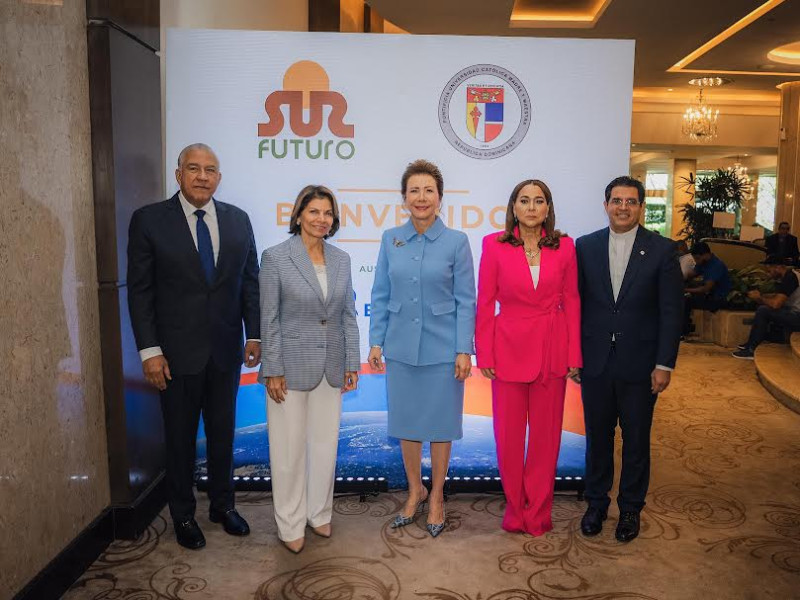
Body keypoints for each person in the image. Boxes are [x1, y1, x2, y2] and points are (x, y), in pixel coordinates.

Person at [127, 143, 260, 550]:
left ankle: (223, 505)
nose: (202, 176)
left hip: (225, 352)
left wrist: (253, 334)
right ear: (178, 174)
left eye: (210, 169)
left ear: (219, 177)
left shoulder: (238, 220)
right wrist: (150, 351)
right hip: (174, 355)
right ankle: (183, 515)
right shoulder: (149, 220)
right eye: (194, 168)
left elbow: (250, 281)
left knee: (223, 434)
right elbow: (140, 291)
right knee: (181, 439)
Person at [368, 159, 475, 538]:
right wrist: (376, 341)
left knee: (441, 425)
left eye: (429, 190)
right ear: (404, 198)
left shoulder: (457, 242)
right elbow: (381, 294)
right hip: (399, 347)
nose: (421, 197)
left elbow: (466, 300)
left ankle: (438, 496)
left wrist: (465, 349)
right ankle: (415, 490)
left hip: (445, 350)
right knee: (407, 424)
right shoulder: (390, 238)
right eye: (414, 190)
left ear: (440, 198)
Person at [576, 176, 682, 543]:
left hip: (641, 365)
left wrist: (664, 363)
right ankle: (596, 503)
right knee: (598, 438)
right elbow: (576, 307)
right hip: (595, 362)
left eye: (631, 201)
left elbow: (671, 312)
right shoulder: (584, 247)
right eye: (617, 200)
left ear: (641, 207)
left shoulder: (663, 250)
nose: (623, 207)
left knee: (636, 440)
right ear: (606, 204)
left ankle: (631, 508)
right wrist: (575, 356)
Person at [475, 179, 581, 536]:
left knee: (546, 439)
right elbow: (486, 302)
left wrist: (574, 355)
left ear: (548, 208)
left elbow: (573, 302)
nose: (532, 206)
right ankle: (515, 509)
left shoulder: (565, 247)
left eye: (539, 200)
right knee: (507, 437)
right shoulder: (493, 244)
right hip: (507, 351)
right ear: (514, 207)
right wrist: (484, 352)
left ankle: (538, 512)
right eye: (524, 200)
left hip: (552, 349)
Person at [259, 185, 360, 553]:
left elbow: (347, 316)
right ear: (299, 214)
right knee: (287, 450)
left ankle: (318, 514)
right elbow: (268, 317)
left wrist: (352, 362)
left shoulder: (342, 259)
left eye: (328, 213)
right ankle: (289, 522)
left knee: (324, 445)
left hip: (331, 366)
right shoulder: (275, 257)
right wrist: (272, 367)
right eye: (314, 211)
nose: (321, 219)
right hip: (288, 368)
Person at [732, 255, 800, 359]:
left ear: (777, 267)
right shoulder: (787, 276)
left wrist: (760, 298)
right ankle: (751, 342)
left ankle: (751, 350)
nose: (768, 274)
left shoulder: (790, 278)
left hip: (797, 317)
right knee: (764, 307)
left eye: (769, 271)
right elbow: (779, 296)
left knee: (763, 310)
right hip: (794, 312)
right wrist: (761, 296)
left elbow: (776, 304)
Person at [683, 241, 731, 335]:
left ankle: (683, 330)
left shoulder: (716, 265)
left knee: (686, 301)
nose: (696, 262)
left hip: (718, 299)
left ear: (706, 254)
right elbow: (691, 274)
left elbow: (706, 288)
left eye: (697, 259)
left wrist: (684, 290)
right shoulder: (703, 263)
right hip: (709, 295)